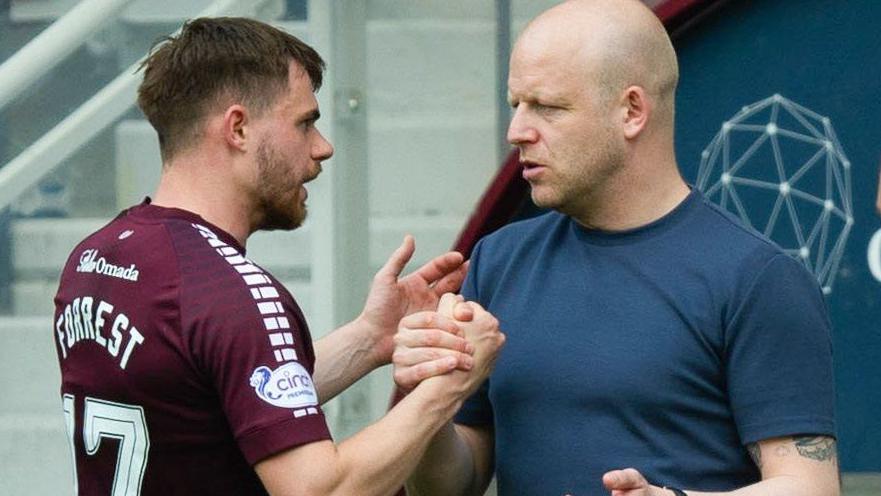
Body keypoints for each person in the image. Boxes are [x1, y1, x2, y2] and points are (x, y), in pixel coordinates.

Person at [393, 1, 839, 495]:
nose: (517, 131)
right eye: (516, 104)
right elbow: (451, 487)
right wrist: (426, 399)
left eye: (547, 106)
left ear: (631, 111)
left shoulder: (756, 277)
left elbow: (810, 487)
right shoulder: (500, 260)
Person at [52, 17, 505, 496]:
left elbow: (221, 396)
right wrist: (450, 383)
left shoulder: (92, 258)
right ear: (239, 128)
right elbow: (321, 490)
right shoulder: (233, 292)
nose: (323, 148)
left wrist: (372, 337)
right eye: (305, 123)